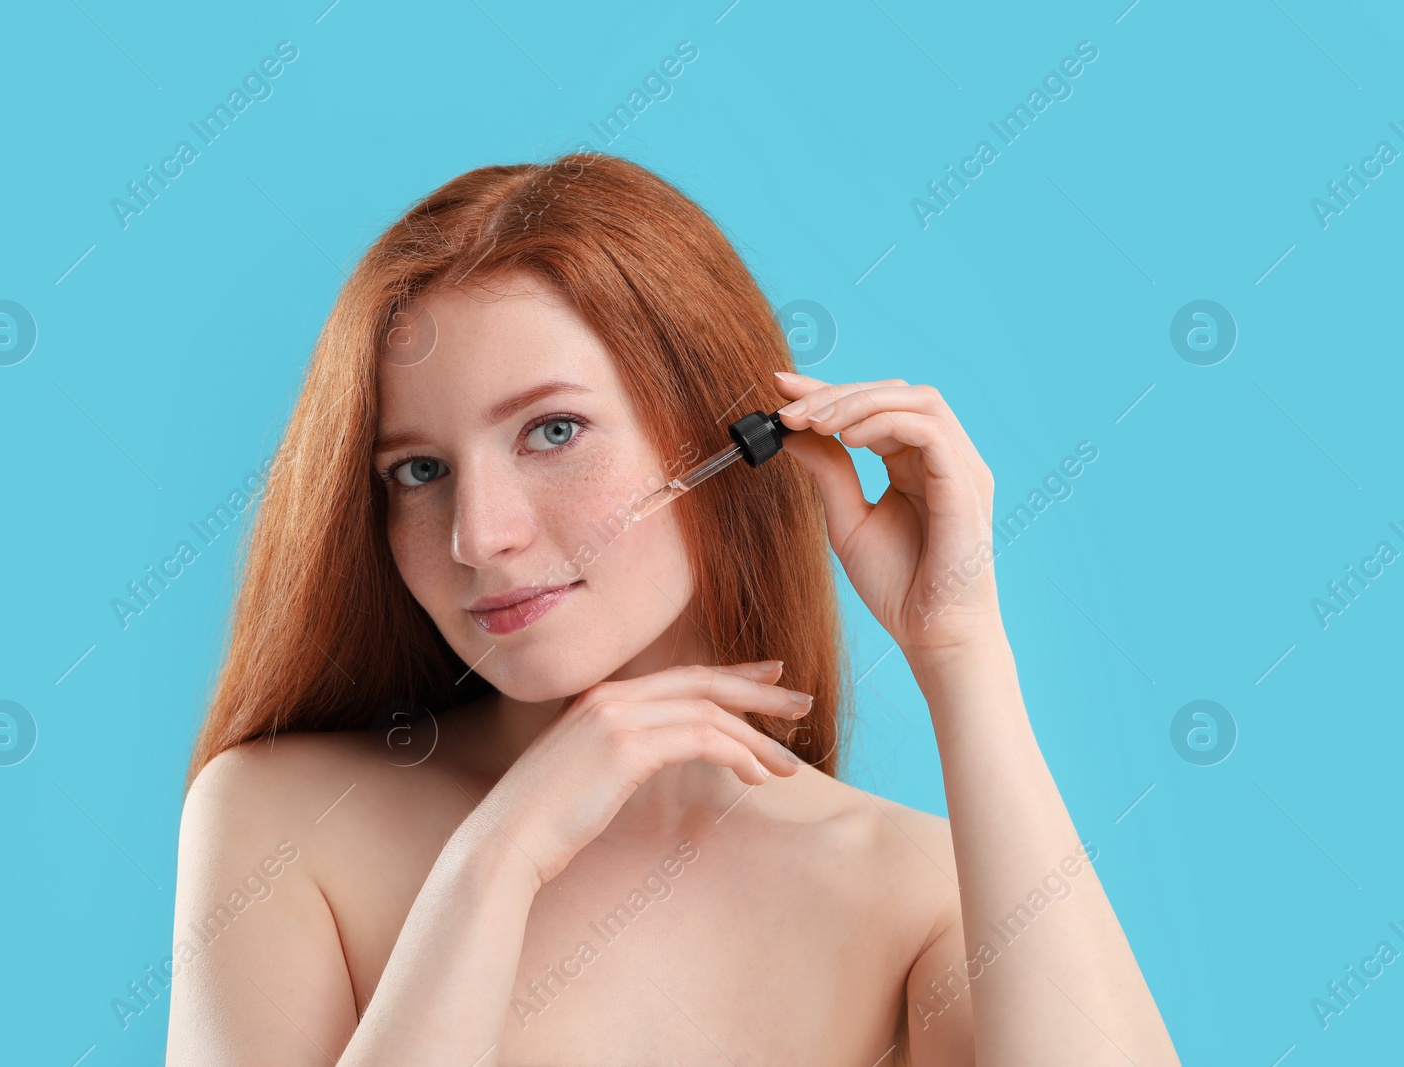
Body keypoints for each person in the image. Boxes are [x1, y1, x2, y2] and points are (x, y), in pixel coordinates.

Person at [164, 152, 1180, 1065]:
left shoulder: (913, 893)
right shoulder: (281, 820)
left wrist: (961, 650)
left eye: (553, 430)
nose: (479, 532)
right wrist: (494, 861)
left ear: (722, 439)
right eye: (418, 469)